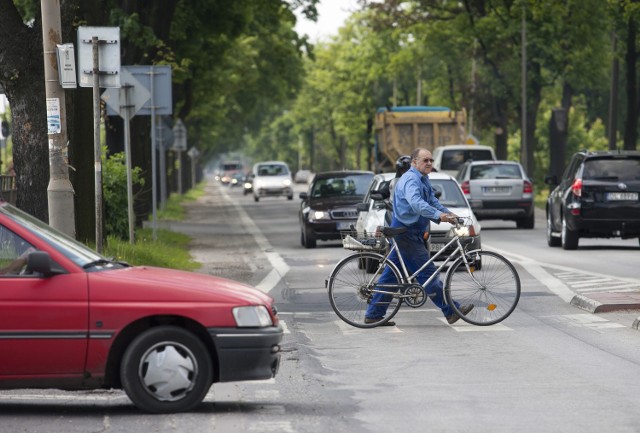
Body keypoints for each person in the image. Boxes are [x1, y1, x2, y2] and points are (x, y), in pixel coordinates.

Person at [364, 147, 474, 326]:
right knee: (428, 275)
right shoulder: (411, 180)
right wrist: (439, 216)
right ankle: (451, 311)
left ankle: (374, 315)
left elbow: (432, 201)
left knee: (392, 274)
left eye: (431, 160)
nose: (429, 163)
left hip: (410, 231)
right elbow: (417, 203)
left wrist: (449, 214)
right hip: (406, 232)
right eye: (425, 160)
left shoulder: (423, 179)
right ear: (414, 162)